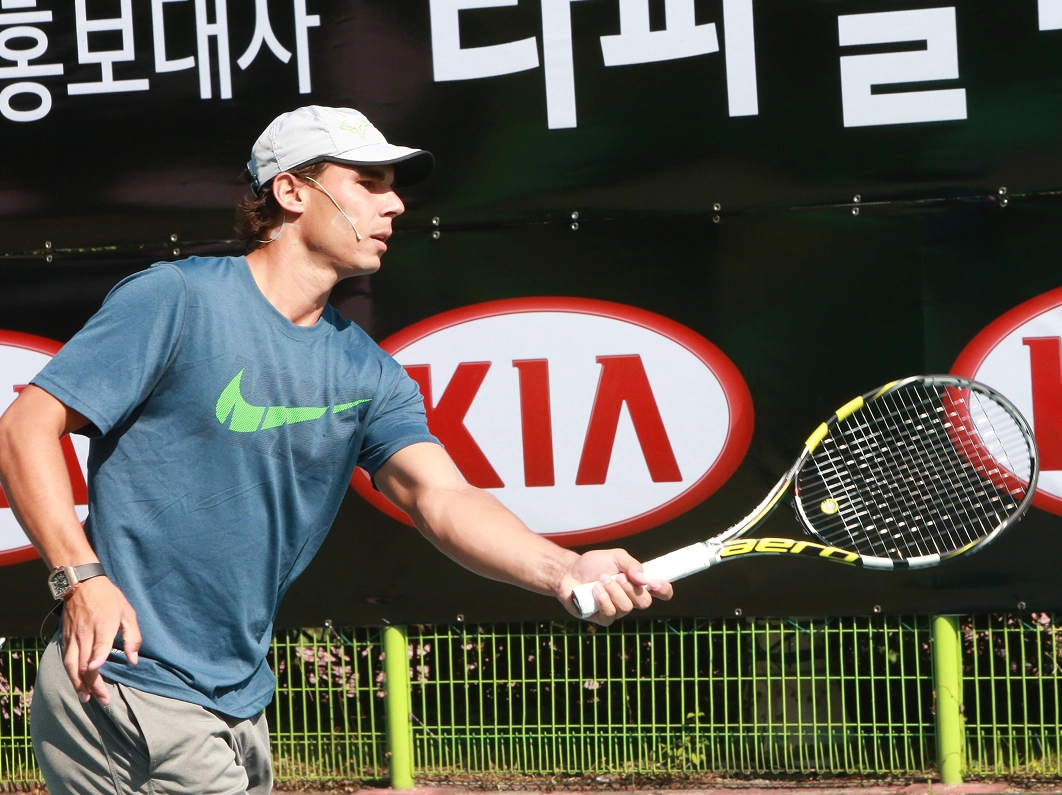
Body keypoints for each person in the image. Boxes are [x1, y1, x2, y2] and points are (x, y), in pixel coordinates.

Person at [0, 106, 673, 795]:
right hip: (125, 685)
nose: (395, 203)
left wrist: (564, 566)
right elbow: (25, 425)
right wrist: (79, 579)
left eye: (393, 185)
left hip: (234, 703)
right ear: (291, 192)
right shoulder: (178, 300)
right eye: (369, 181)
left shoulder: (366, 370)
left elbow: (441, 496)